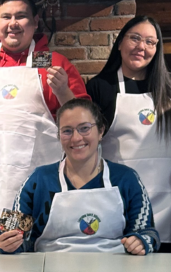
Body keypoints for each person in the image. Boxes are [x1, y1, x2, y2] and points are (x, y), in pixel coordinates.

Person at [0, 0, 90, 251]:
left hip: (36, 190)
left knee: (28, 259)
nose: (13, 24)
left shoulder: (54, 62)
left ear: (35, 21)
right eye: (6, 17)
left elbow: (86, 124)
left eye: (21, 16)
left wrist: (63, 91)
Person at [0, 98, 160, 255]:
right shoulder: (38, 179)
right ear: (59, 136)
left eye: (84, 128)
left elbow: (147, 233)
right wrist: (6, 244)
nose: (76, 138)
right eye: (67, 131)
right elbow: (10, 235)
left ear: (101, 130)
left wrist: (141, 241)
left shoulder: (127, 178)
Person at [86, 16, 171, 252]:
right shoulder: (100, 87)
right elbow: (85, 145)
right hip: (119, 199)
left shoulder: (169, 88)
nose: (141, 47)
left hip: (167, 200)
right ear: (120, 42)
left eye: (150, 42)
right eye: (135, 38)